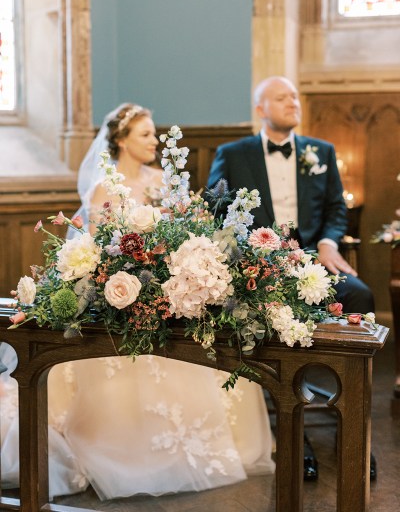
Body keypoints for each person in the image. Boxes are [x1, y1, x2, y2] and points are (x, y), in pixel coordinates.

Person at [1, 103, 275, 500]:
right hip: (121, 293)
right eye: (145, 135)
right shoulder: (103, 187)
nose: (155, 141)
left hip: (169, 291)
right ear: (121, 140)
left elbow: (184, 230)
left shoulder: (165, 180)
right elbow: (94, 248)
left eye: (156, 134)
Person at [206, 76, 376, 480]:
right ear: (261, 109)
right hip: (261, 272)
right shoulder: (232, 154)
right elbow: (216, 211)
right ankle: (293, 435)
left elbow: (337, 209)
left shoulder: (321, 151)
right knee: (266, 317)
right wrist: (252, 258)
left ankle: (355, 429)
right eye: (281, 97)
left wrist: (330, 243)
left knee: (360, 296)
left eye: (295, 96)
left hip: (315, 263)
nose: (293, 101)